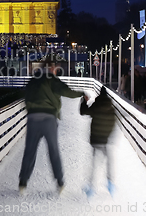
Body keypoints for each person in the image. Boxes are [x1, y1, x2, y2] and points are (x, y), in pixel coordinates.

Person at [18, 61, 88, 194]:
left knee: (30, 151)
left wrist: (31, 109)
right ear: (51, 68)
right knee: (53, 151)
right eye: (56, 68)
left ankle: (23, 183)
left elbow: (24, 96)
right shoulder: (52, 80)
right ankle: (60, 183)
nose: (56, 71)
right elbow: (66, 91)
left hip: (33, 118)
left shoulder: (32, 81)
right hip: (48, 118)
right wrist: (81, 93)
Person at [80, 86, 116, 197]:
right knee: (109, 160)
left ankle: (91, 187)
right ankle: (110, 184)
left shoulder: (96, 105)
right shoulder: (111, 109)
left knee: (95, 163)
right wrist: (108, 135)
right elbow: (112, 123)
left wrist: (83, 101)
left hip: (96, 139)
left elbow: (83, 112)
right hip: (105, 140)